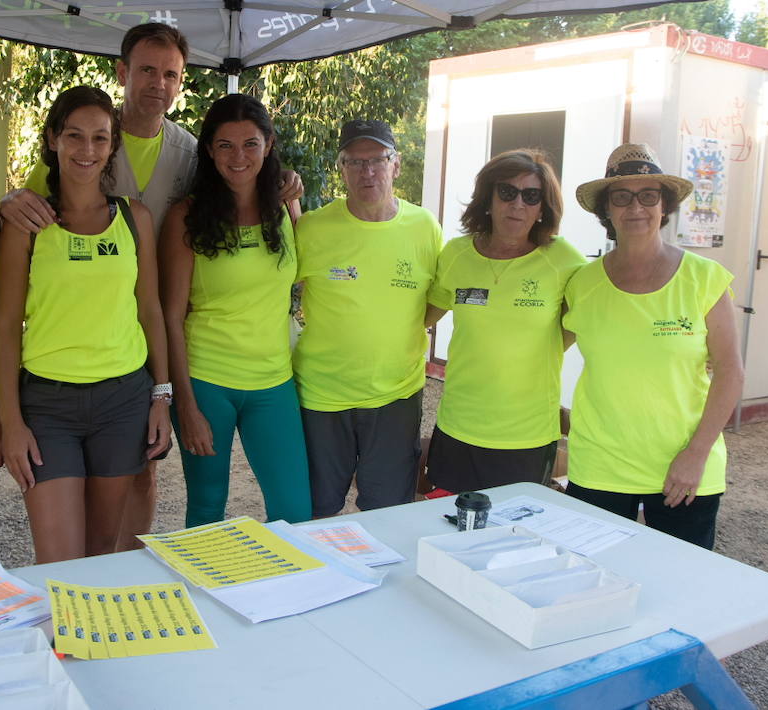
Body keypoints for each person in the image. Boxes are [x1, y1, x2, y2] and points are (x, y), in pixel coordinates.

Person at [0, 22, 300, 548]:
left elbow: (234, 182)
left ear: (181, 82)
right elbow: (29, 205)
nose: (158, 84)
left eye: (171, 74)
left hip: (148, 339)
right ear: (123, 72)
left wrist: (283, 185)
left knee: (142, 474)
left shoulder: (188, 152)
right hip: (81, 340)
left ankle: (125, 574)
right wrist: (6, 200)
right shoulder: (84, 133)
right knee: (83, 521)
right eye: (147, 70)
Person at [0, 86, 171, 562]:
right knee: (58, 560)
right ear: (52, 139)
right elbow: (6, 323)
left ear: (113, 145)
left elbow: (150, 309)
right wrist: (10, 420)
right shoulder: (26, 222)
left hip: (123, 401)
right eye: (74, 136)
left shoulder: (135, 218)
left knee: (100, 551)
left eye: (99, 138)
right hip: (48, 406)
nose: (86, 150)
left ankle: (97, 639)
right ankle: (60, 639)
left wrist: (162, 395)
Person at [563, 143, 744, 549]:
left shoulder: (704, 278)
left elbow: (730, 372)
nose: (636, 208)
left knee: (680, 590)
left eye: (649, 196)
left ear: (665, 205)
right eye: (621, 197)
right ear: (605, 211)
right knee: (591, 584)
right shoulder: (581, 284)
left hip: (682, 468)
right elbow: (538, 348)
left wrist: (696, 454)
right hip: (600, 466)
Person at [159, 94, 311, 528]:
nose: (238, 157)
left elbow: (306, 275)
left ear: (269, 143)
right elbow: (171, 314)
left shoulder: (284, 203)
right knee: (207, 509)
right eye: (225, 145)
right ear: (208, 149)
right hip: (208, 384)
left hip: (273, 381)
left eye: (250, 144)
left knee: (295, 512)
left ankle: (286, 597)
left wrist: (294, 197)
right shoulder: (186, 216)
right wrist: (184, 403)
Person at [294, 120, 442, 518]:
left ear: (395, 165)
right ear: (341, 169)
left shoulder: (424, 227)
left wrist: (400, 329)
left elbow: (438, 298)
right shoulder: (312, 228)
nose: (367, 171)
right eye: (354, 162)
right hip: (322, 396)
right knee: (316, 510)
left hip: (395, 395)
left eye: (377, 160)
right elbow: (273, 290)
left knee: (388, 511)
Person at [423, 150, 586, 494]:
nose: (518, 205)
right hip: (458, 425)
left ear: (544, 208)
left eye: (531, 196)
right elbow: (422, 317)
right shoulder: (456, 254)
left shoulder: (564, 261)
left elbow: (579, 324)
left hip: (526, 435)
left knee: (514, 538)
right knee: (448, 528)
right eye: (507, 192)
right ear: (488, 198)